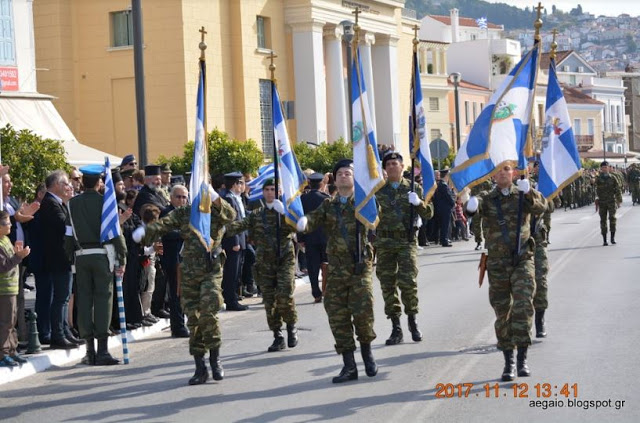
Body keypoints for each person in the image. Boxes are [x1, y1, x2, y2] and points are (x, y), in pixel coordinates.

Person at [133, 184, 236, 385]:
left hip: (211, 270)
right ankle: (200, 366)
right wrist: (145, 233)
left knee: (208, 313)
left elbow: (230, 215)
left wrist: (215, 197)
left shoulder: (214, 212)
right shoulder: (184, 213)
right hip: (189, 272)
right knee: (193, 318)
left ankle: (215, 360)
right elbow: (164, 224)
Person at [297, 159, 378, 384]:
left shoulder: (365, 202)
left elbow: (375, 221)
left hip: (359, 269)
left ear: (355, 178)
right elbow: (314, 220)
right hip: (336, 270)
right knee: (337, 317)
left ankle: (367, 354)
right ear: (334, 179)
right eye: (340, 173)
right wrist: (303, 221)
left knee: (363, 314)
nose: (344, 176)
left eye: (348, 173)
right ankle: (349, 365)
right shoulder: (328, 205)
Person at [465, 164, 546, 381]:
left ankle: (522, 359)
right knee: (503, 313)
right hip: (498, 264)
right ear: (493, 174)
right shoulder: (487, 197)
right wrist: (470, 206)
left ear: (514, 173)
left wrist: (528, 191)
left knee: (522, 305)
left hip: (522, 260)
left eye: (507, 169)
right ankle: (508, 361)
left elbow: (541, 208)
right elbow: (473, 209)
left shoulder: (523, 193)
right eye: (499, 170)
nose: (502, 173)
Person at [225, 178, 299, 352]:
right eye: (267, 189)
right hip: (265, 263)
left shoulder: (285, 212)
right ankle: (277, 335)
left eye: (273, 189)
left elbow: (299, 227)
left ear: (278, 192)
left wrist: (287, 214)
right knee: (269, 301)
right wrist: (217, 228)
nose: (270, 193)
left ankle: (291, 326)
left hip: (284, 260)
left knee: (285, 294)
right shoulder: (257, 214)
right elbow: (238, 226)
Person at [65, 165, 127, 365]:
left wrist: (70, 256)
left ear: (82, 182)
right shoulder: (105, 203)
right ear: (100, 183)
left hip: (81, 256)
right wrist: (122, 257)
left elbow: (68, 235)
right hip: (102, 256)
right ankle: (102, 351)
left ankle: (89, 351)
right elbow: (115, 233)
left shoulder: (71, 204)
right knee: (103, 300)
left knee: (84, 301)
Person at [374, 152, 433, 346]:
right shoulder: (377, 191)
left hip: (406, 242)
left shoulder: (414, 188)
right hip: (384, 243)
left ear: (402, 167)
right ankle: (396, 327)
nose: (392, 167)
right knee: (387, 285)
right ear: (385, 168)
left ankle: (412, 320)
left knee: (408, 282)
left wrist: (418, 203)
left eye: (395, 163)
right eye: (388, 164)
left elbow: (429, 214)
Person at [40, 170, 81, 349]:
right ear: (56, 185)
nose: (69, 187)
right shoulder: (50, 203)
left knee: (64, 297)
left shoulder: (60, 203)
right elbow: (63, 225)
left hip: (64, 257)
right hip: (57, 258)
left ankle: (64, 331)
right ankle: (57, 335)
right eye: (65, 184)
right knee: (61, 297)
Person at [0, 210, 31, 367]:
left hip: (12, 288)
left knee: (12, 321)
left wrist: (17, 253)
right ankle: (3, 353)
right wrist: (19, 256)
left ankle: (12, 349)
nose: (10, 225)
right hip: (3, 290)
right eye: (6, 223)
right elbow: (3, 266)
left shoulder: (6, 239)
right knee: (5, 322)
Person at [159, 185, 190, 337]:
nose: (182, 200)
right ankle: (177, 327)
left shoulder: (188, 213)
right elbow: (166, 232)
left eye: (184, 197)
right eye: (178, 196)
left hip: (187, 258)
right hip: (173, 259)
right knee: (176, 293)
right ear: (171, 198)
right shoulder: (166, 212)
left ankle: (184, 322)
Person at [299, 172, 330, 303]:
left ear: (309, 183)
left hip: (309, 237)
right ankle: (326, 290)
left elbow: (299, 219)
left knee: (312, 267)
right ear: (322, 183)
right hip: (325, 237)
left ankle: (316, 292)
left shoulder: (302, 199)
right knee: (327, 265)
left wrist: (300, 238)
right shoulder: (326, 198)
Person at [220, 172, 249, 311]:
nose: (243, 186)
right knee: (231, 272)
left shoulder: (236, 198)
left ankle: (234, 297)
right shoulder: (229, 199)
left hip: (241, 238)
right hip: (234, 241)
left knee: (237, 272)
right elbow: (231, 222)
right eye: (241, 183)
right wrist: (235, 241)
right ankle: (230, 300)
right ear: (235, 184)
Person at [595, 161, 622, 246]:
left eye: (606, 167)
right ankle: (604, 239)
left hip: (611, 201)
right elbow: (594, 189)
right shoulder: (598, 179)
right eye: (603, 168)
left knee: (612, 219)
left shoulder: (613, 178)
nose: (605, 169)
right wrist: (595, 199)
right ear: (601, 169)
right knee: (603, 220)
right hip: (602, 202)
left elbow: (617, 189)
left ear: (608, 168)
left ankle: (612, 238)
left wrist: (619, 200)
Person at [433, 168, 456, 247]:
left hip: (440, 208)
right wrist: (453, 203)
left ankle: (441, 239)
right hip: (444, 209)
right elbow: (448, 196)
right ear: (446, 175)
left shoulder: (440, 184)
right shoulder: (443, 185)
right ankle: (444, 241)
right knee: (445, 225)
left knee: (442, 225)